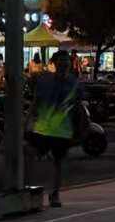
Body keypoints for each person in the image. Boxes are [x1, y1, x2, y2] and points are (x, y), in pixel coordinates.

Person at [28, 50, 85, 208]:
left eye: (66, 60)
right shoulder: (44, 81)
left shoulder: (74, 83)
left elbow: (78, 107)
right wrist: (27, 121)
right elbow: (36, 102)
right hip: (42, 129)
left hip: (63, 131)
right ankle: (30, 190)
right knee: (30, 156)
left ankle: (55, 194)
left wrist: (80, 128)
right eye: (60, 60)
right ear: (54, 63)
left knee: (58, 164)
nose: (63, 63)